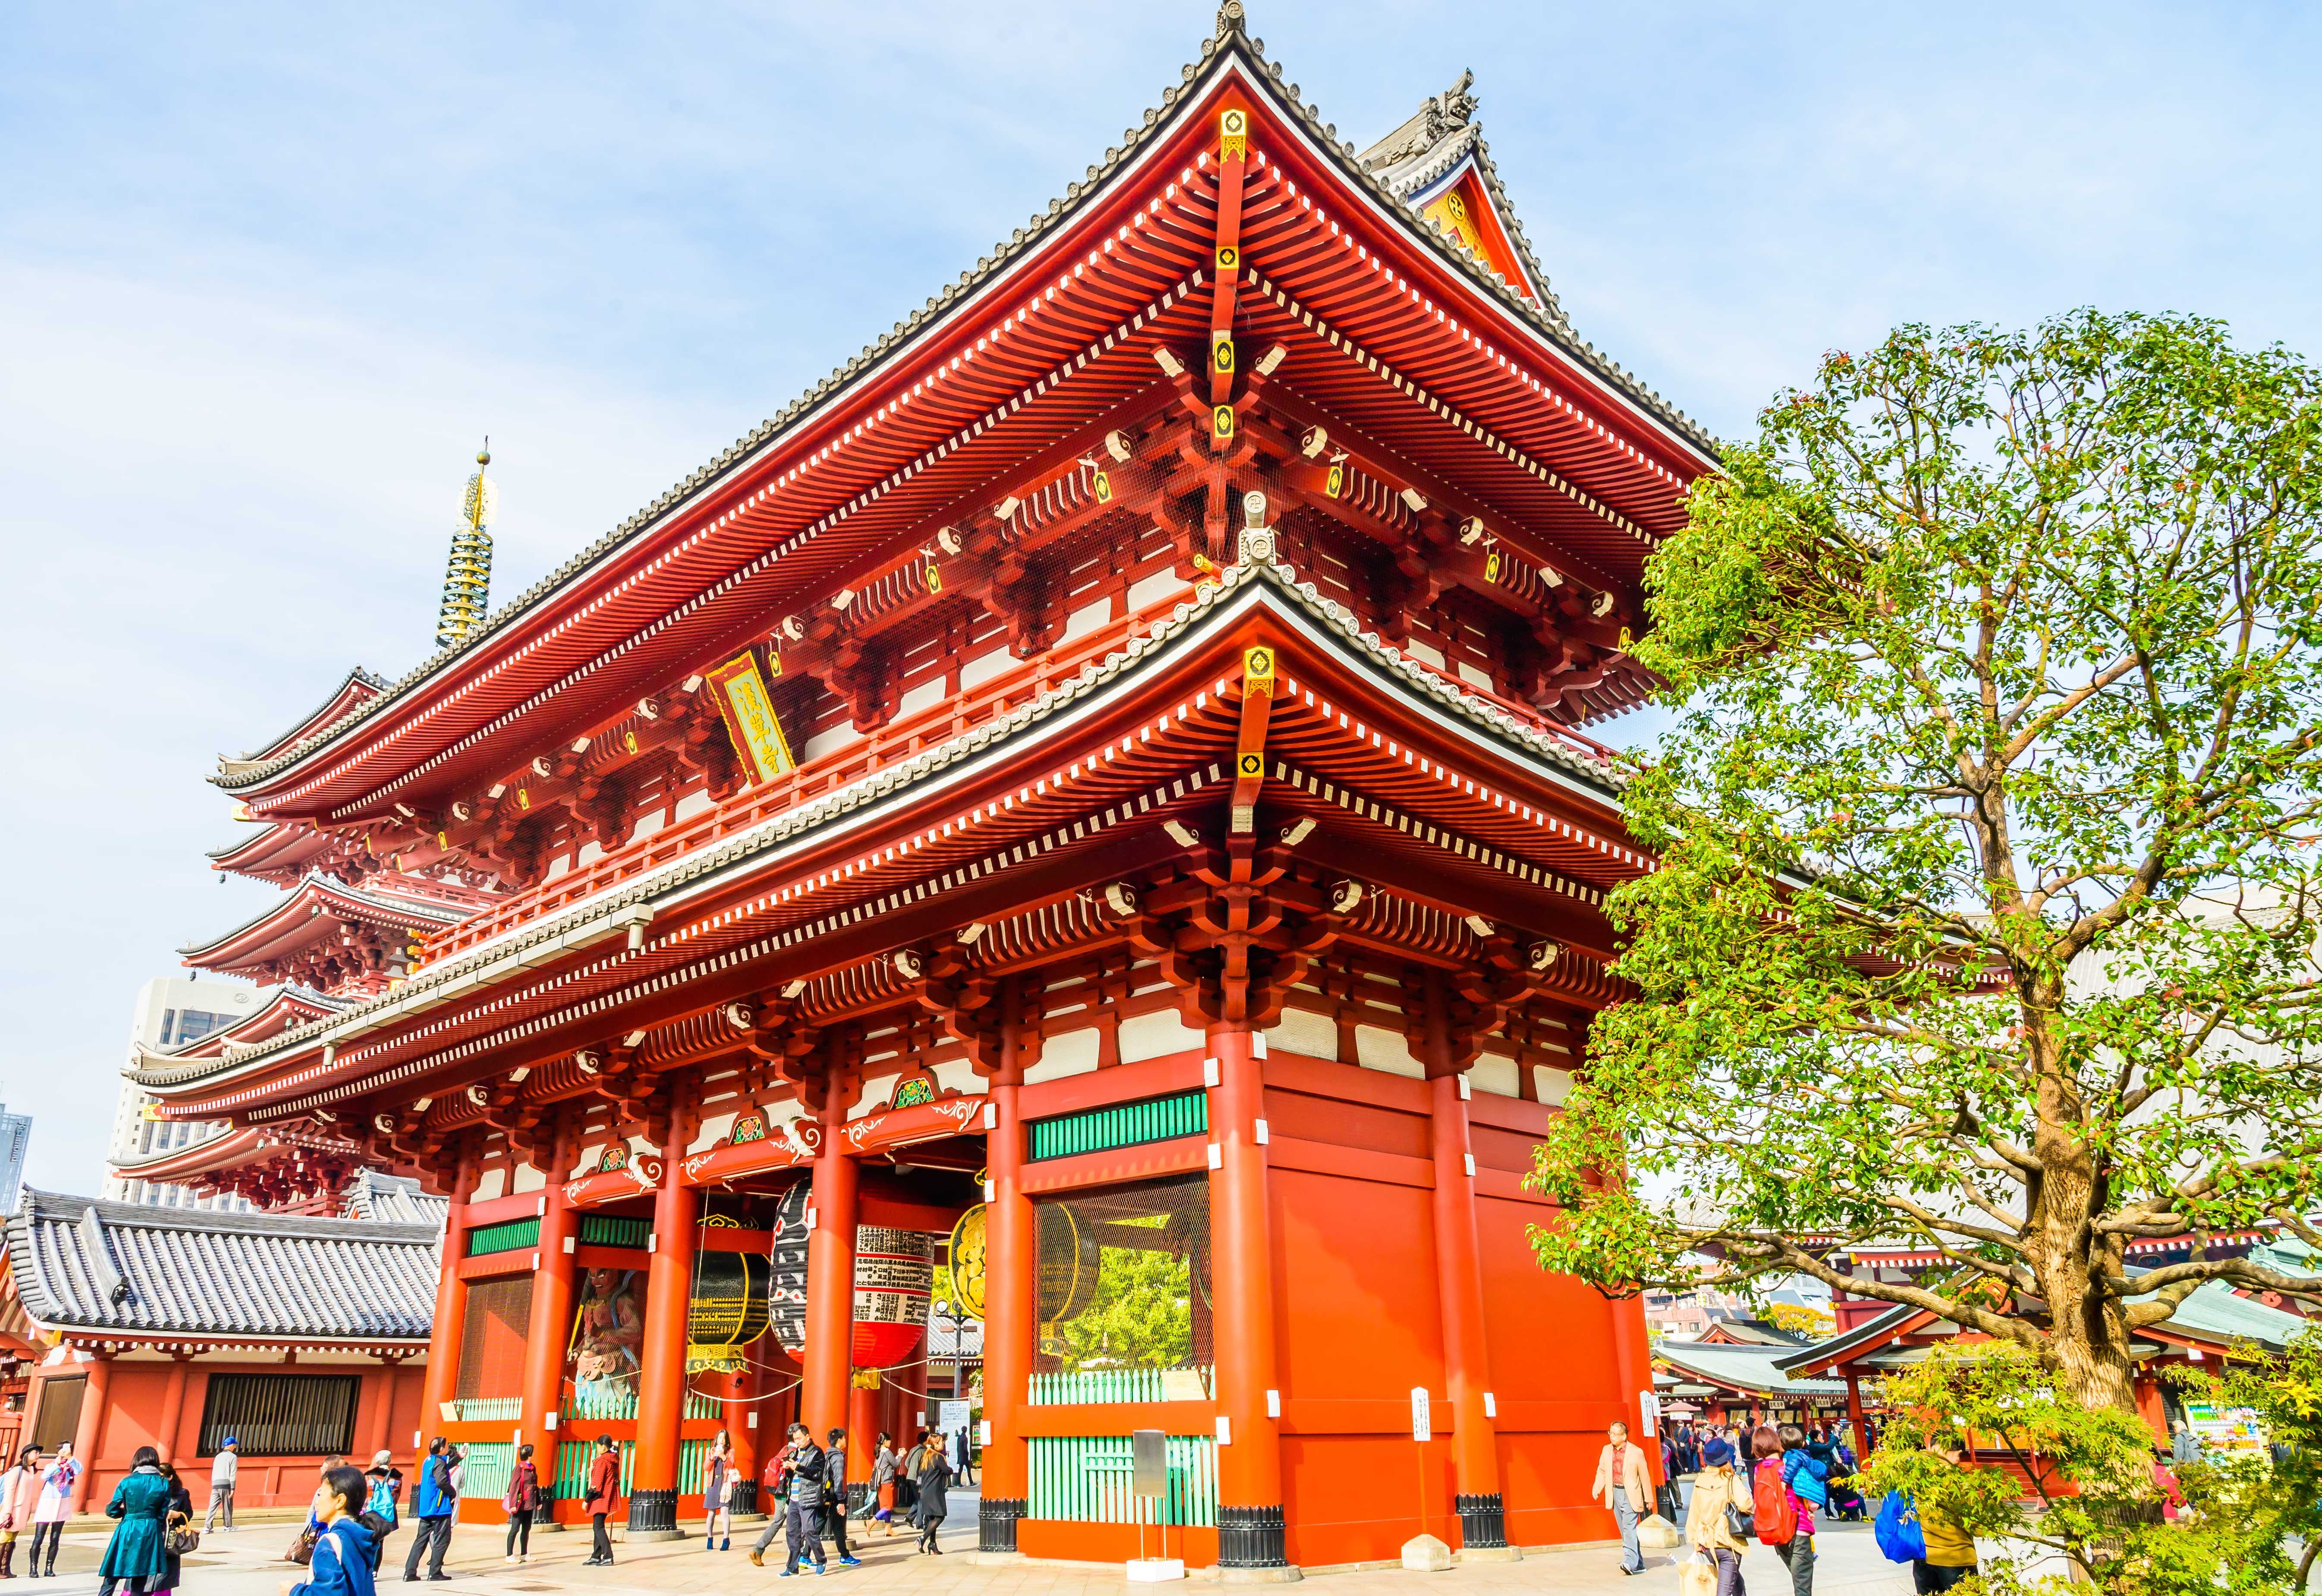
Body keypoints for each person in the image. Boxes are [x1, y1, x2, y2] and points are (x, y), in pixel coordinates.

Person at [289, 1464, 379, 1596]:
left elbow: (329, 1593)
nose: (316, 1502)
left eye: (320, 1495)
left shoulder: (330, 1542)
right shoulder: (360, 1538)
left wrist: (294, 1591)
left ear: (340, 1501)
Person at [97, 1445, 170, 1596]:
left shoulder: (127, 1481)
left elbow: (112, 1509)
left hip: (129, 1527)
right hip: (151, 1529)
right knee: (140, 1575)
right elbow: (163, 1513)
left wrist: (126, 1513)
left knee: (113, 1571)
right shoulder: (163, 1483)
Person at [1683, 1436, 1749, 1596]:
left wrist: (1695, 1540)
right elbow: (1746, 1504)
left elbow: (1694, 1514)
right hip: (1728, 1542)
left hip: (1706, 1542)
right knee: (1725, 1589)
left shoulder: (1700, 1481)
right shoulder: (1731, 1480)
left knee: (1734, 1581)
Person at [1757, 1424, 1815, 1596]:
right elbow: (1811, 1497)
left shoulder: (1760, 1470)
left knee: (1797, 1576)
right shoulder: (1787, 1469)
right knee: (1803, 1582)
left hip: (1776, 1529)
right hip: (1797, 1528)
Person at [1913, 1443, 1978, 1594]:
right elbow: (1975, 1523)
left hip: (1923, 1556)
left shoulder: (1912, 1472)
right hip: (1955, 1557)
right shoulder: (1956, 1481)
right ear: (1958, 1453)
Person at [1592, 1420, 1654, 1575]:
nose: (1612, 1436)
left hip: (1631, 1493)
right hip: (1615, 1493)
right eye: (1610, 1433)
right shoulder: (1606, 1450)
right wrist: (1597, 1487)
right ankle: (1639, 1563)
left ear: (1624, 1436)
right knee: (1625, 1530)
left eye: (1615, 1434)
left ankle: (1629, 1562)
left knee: (1629, 1528)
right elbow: (1602, 1471)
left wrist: (1649, 1497)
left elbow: (1645, 1476)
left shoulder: (1636, 1452)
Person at [402, 1436, 456, 1582]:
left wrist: (459, 1458)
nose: (448, 1448)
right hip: (438, 1508)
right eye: (447, 1446)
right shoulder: (439, 1462)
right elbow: (442, 1481)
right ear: (442, 1449)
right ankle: (435, 1572)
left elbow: (444, 1468)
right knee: (442, 1540)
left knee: (421, 1540)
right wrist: (452, 1492)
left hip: (426, 1508)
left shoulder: (429, 1461)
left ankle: (410, 1572)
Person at [28, 1444, 76, 1580]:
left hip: (62, 1503)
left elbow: (80, 1469)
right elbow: (46, 1476)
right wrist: (59, 1462)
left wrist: (70, 1459)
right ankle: (33, 1568)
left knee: (55, 1538)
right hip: (48, 1503)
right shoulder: (51, 1466)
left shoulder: (71, 1468)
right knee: (39, 1537)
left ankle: (49, 1567)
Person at [146, 1461, 194, 1596]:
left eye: (163, 1478)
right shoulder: (150, 1491)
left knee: (164, 1578)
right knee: (145, 1574)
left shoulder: (182, 1494)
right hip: (151, 1535)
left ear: (171, 1477)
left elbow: (189, 1514)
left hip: (169, 1538)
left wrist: (178, 1515)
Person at [0, 1444, 44, 1580]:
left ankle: (5, 1568)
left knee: (12, 1539)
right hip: (13, 1511)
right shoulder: (17, 1470)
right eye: (35, 1452)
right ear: (27, 1454)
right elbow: (10, 1491)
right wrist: (7, 1512)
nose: (38, 1455)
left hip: (22, 1511)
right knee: (5, 1538)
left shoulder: (30, 1471)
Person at [823, 1428, 860, 1567]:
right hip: (834, 1497)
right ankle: (845, 1556)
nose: (846, 1440)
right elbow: (838, 1479)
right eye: (844, 1438)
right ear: (840, 1440)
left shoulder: (827, 1455)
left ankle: (805, 1555)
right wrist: (841, 1501)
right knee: (838, 1527)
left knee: (818, 1525)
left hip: (826, 1495)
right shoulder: (838, 1457)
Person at [582, 1436, 620, 1567]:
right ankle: (596, 1555)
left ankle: (608, 1556)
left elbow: (596, 1484)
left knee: (598, 1527)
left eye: (597, 1446)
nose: (597, 1448)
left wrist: (587, 1500)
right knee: (597, 1526)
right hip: (608, 1496)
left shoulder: (602, 1461)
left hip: (600, 1498)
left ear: (603, 1447)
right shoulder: (613, 1459)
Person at [362, 1452, 403, 1572]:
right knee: (380, 1542)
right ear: (389, 1461)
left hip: (370, 1512)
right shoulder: (397, 1477)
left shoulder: (368, 1476)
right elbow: (396, 1497)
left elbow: (365, 1495)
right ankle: (375, 1571)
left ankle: (366, 1568)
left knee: (368, 1539)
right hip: (386, 1514)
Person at [914, 1434, 954, 1555]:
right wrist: (951, 1469)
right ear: (936, 1444)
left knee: (932, 1518)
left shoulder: (926, 1456)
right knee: (940, 1516)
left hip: (925, 1492)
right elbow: (947, 1471)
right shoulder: (938, 1457)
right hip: (935, 1492)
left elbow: (919, 1472)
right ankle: (923, 1538)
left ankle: (933, 1544)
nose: (943, 1444)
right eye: (941, 1442)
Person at [502, 1443, 540, 1565]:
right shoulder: (519, 1468)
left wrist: (538, 1502)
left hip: (530, 1503)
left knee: (527, 1529)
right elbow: (514, 1486)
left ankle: (524, 1554)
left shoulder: (533, 1468)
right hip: (520, 1504)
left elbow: (535, 1486)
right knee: (515, 1529)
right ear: (529, 1454)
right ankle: (509, 1555)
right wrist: (513, 1504)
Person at [199, 1436, 237, 1535]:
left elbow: (214, 1471)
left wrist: (214, 1483)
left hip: (216, 1484)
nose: (235, 1448)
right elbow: (233, 1474)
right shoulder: (233, 1457)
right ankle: (228, 1526)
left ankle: (207, 1527)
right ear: (231, 1446)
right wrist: (233, 1488)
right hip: (226, 1484)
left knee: (212, 1506)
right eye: (235, 1446)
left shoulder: (218, 1456)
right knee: (227, 1506)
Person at [703, 1431, 733, 1552]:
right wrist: (712, 1457)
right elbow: (706, 1468)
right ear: (716, 1439)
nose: (722, 1440)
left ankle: (726, 1539)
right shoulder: (711, 1451)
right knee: (711, 1513)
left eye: (724, 1438)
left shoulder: (730, 1452)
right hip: (713, 1484)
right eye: (720, 1438)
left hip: (725, 1484)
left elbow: (732, 1465)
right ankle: (709, 1538)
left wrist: (723, 1457)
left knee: (725, 1512)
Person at [869, 1434, 901, 1537]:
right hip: (887, 1482)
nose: (890, 1442)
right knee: (887, 1507)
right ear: (885, 1441)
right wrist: (900, 1455)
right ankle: (871, 1522)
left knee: (885, 1506)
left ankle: (888, 1529)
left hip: (880, 1483)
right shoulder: (887, 1452)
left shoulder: (879, 1453)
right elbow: (896, 1464)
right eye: (889, 1440)